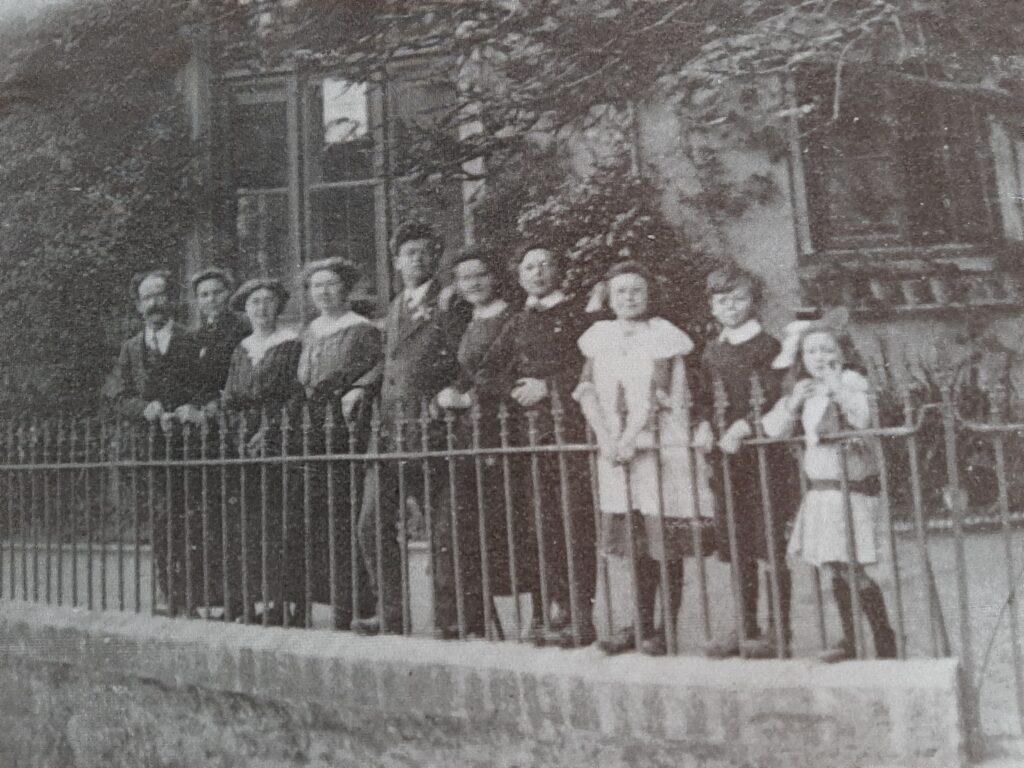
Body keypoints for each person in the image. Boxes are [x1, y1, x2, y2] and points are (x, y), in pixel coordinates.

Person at [574, 261, 715, 655]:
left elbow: (657, 395)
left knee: (661, 540)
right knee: (634, 539)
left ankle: (664, 629)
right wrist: (606, 438)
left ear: (650, 295)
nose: (629, 297)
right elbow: (586, 390)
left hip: (657, 449)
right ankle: (638, 624)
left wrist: (630, 438)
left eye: (637, 290)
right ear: (609, 297)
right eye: (621, 291)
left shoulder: (663, 336)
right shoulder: (599, 337)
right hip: (617, 450)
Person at [352, 221, 471, 636]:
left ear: (435, 258)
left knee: (443, 528)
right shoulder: (397, 303)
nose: (416, 259)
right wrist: (361, 386)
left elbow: (468, 356)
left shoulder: (451, 301)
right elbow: (391, 362)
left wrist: (454, 392)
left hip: (433, 427)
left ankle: (448, 618)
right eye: (408, 253)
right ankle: (392, 612)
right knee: (371, 522)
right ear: (396, 261)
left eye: (424, 252)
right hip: (389, 431)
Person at [476, 243, 597, 647]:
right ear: (519, 275)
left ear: (559, 271)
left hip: (569, 427)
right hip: (528, 434)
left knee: (573, 521)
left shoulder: (579, 315)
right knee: (538, 525)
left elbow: (592, 366)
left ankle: (579, 613)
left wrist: (550, 387)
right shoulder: (519, 320)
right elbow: (489, 370)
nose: (538, 272)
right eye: (530, 267)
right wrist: (515, 389)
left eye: (546, 265)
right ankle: (545, 610)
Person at [762, 309, 896, 661]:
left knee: (850, 565)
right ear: (802, 359)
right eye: (811, 352)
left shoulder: (852, 383)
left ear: (842, 352)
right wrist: (793, 402)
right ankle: (851, 639)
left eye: (826, 350)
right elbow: (773, 429)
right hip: (821, 491)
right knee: (834, 565)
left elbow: (864, 419)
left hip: (850, 491)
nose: (819, 358)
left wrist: (838, 388)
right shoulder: (804, 389)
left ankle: (884, 637)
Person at [693, 264, 797, 658]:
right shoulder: (712, 351)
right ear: (712, 307)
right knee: (736, 544)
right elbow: (703, 396)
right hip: (725, 460)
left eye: (739, 298)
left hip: (763, 459)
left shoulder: (768, 347)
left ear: (754, 302)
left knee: (768, 541)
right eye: (722, 300)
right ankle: (746, 625)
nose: (731, 307)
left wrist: (747, 426)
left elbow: (776, 398)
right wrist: (702, 424)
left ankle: (778, 629)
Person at [104, 269, 202, 615]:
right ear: (138, 305)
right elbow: (116, 394)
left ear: (171, 299)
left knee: (189, 519)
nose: (155, 303)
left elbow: (204, 389)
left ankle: (193, 595)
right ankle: (167, 592)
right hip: (148, 449)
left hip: (187, 445)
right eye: (147, 298)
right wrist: (144, 408)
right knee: (160, 521)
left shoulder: (191, 340)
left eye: (160, 295)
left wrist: (187, 409)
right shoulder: (130, 348)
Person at [434, 245, 519, 638]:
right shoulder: (466, 320)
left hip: (506, 429)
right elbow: (462, 371)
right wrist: (450, 392)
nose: (473, 284)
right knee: (463, 527)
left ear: (495, 276)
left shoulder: (512, 318)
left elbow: (514, 370)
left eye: (479, 275)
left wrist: (473, 397)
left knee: (508, 527)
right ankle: (472, 617)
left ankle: (533, 615)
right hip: (470, 433)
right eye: (465, 278)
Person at [297, 257, 382, 630]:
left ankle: (360, 602)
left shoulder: (361, 329)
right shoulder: (311, 331)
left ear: (345, 288)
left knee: (348, 512)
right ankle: (335, 600)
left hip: (349, 426)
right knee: (323, 517)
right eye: (317, 286)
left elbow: (378, 369)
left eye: (331, 284)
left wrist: (359, 389)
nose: (324, 292)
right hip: (314, 428)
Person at [221, 278, 303, 625]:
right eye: (255, 302)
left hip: (282, 438)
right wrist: (241, 434)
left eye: (268, 301)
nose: (261, 307)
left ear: (278, 307)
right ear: (246, 308)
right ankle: (252, 600)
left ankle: (286, 603)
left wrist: (269, 431)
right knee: (250, 525)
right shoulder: (241, 349)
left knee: (283, 524)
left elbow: (297, 395)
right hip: (245, 443)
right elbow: (230, 397)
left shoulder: (291, 344)